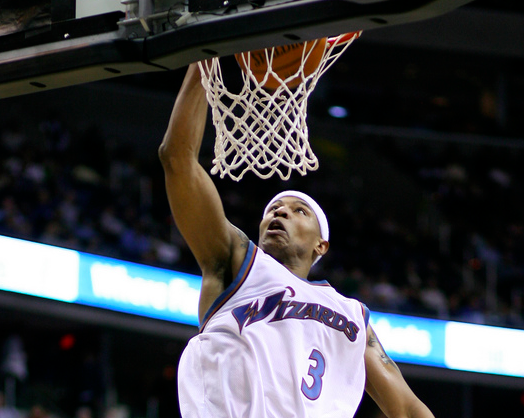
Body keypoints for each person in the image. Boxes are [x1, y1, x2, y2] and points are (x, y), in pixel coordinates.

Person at [159, 63, 435, 418]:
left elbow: (407, 407)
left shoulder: (351, 315)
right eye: (273, 208)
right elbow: (177, 159)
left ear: (322, 246)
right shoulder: (237, 261)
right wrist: (203, 62)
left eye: (299, 210)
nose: (280, 213)